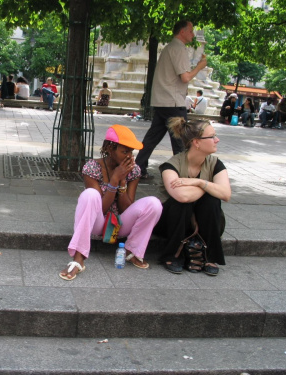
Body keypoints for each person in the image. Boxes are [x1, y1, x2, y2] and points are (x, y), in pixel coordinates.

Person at [59, 125, 163, 281]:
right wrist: (113, 180)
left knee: (154, 204)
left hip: (119, 224)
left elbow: (127, 208)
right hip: (97, 223)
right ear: (109, 148)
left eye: (131, 152)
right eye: (124, 151)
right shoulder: (92, 167)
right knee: (90, 195)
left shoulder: (133, 171)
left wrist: (122, 181)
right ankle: (78, 257)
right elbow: (100, 208)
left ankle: (132, 251)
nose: (129, 157)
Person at [153, 117, 231, 276]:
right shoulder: (171, 165)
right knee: (183, 203)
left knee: (212, 200)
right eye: (212, 137)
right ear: (196, 142)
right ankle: (173, 254)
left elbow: (226, 194)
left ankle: (209, 256)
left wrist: (199, 182)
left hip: (204, 220)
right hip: (172, 222)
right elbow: (182, 196)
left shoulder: (215, 163)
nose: (217, 140)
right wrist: (209, 186)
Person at [135, 20, 207, 179]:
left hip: (162, 100)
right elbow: (185, 77)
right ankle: (184, 174)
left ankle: (138, 168)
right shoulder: (179, 49)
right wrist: (200, 66)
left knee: (152, 138)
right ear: (182, 32)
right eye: (190, 31)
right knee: (181, 139)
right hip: (173, 102)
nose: (193, 34)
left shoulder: (169, 48)